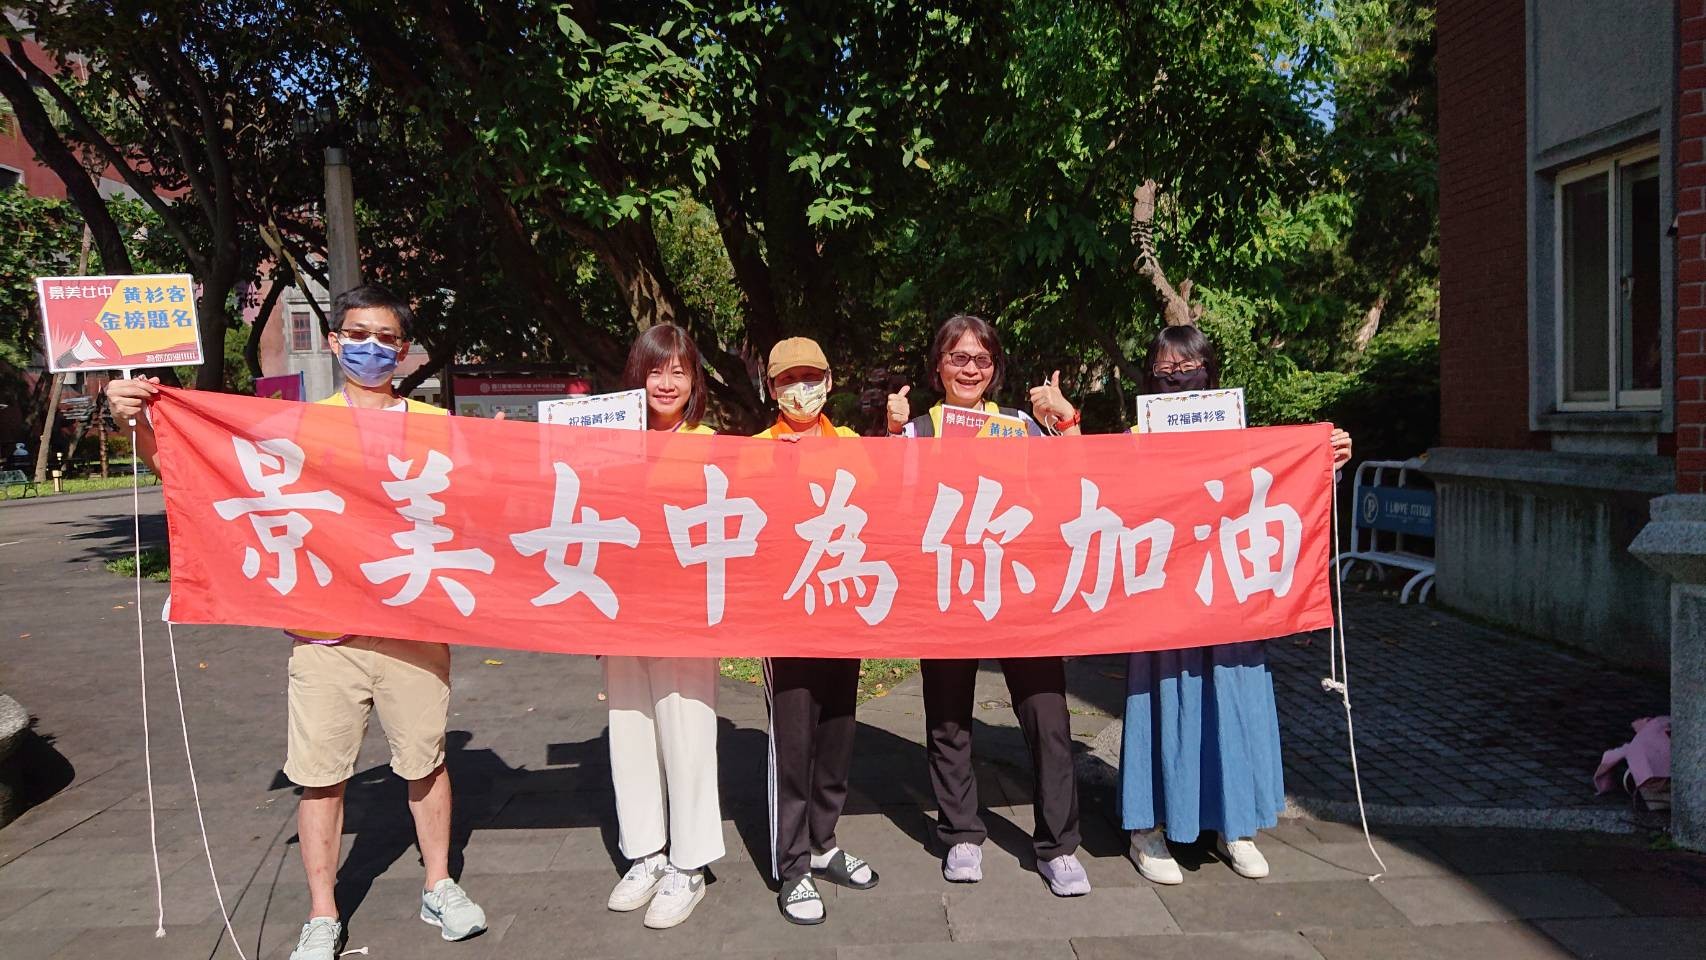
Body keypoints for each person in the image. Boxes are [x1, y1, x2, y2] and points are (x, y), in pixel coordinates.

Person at [106, 285, 488, 960]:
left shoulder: (437, 426)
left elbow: (496, 496)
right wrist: (135, 422)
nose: (371, 348)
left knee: (425, 762)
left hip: (413, 628)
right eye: (357, 335)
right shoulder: (299, 428)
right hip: (324, 636)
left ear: (404, 351)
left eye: (386, 338)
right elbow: (193, 474)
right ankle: (322, 913)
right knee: (321, 775)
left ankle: (439, 884)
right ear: (336, 342)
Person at [1121, 324, 1351, 885]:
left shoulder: (1244, 437)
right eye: (1165, 372)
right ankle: (1147, 828)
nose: (1179, 380)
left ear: (1211, 373)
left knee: (1233, 701)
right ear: (1149, 379)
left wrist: (1326, 461)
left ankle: (1236, 824)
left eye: (1189, 369)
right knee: (1162, 700)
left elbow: (1283, 487)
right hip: (1163, 601)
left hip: (1230, 600)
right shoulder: (1133, 439)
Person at [889, 314, 1092, 897]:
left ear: (995, 368)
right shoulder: (917, 432)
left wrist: (1067, 420)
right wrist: (891, 433)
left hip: (1020, 592)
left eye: (982, 359)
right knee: (948, 717)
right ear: (938, 367)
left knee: (1048, 718)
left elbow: (1078, 480)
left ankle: (1058, 846)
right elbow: (891, 500)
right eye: (959, 357)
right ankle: (960, 833)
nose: (970, 369)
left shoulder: (1021, 425)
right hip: (948, 591)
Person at [751, 337, 879, 924]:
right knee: (793, 739)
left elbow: (884, 500)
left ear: (829, 383)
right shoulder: (754, 451)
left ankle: (824, 842)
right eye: (787, 380)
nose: (800, 390)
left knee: (838, 733)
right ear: (771, 389)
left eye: (810, 378)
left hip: (841, 610)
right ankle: (793, 863)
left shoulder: (849, 443)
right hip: (784, 620)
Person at [602, 323, 723, 930]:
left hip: (686, 615)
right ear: (637, 376)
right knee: (629, 732)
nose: (667, 383)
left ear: (695, 381)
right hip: (620, 610)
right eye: (656, 370)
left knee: (687, 734)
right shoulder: (607, 441)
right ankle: (646, 853)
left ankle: (690, 863)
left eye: (679, 371)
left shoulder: (712, 445)